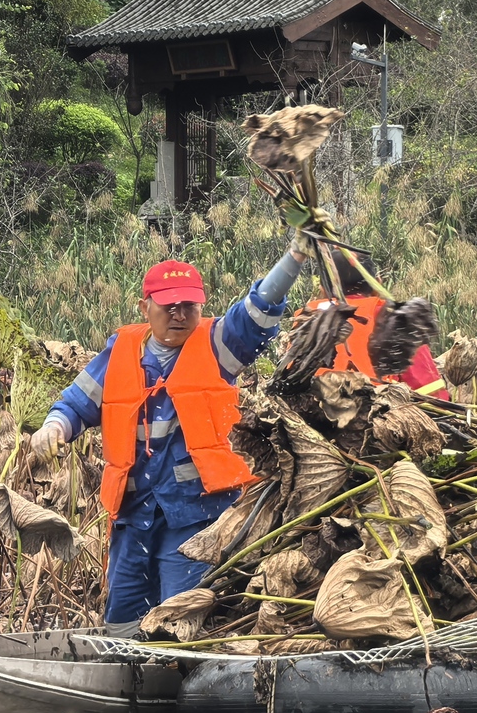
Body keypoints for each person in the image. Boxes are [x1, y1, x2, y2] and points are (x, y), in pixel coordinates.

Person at [28, 236, 311, 625]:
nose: (179, 315)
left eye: (189, 306)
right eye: (169, 306)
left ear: (201, 307)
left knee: (181, 617)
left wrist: (295, 256)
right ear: (144, 307)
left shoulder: (219, 344)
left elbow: (259, 309)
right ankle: (126, 663)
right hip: (134, 516)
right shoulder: (120, 352)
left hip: (200, 518)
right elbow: (76, 405)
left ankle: (179, 663)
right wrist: (53, 427)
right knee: (123, 616)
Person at [306, 247, 448, 397]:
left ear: (323, 290)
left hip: (313, 409)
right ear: (377, 284)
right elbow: (431, 391)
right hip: (379, 408)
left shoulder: (305, 323)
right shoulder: (395, 319)